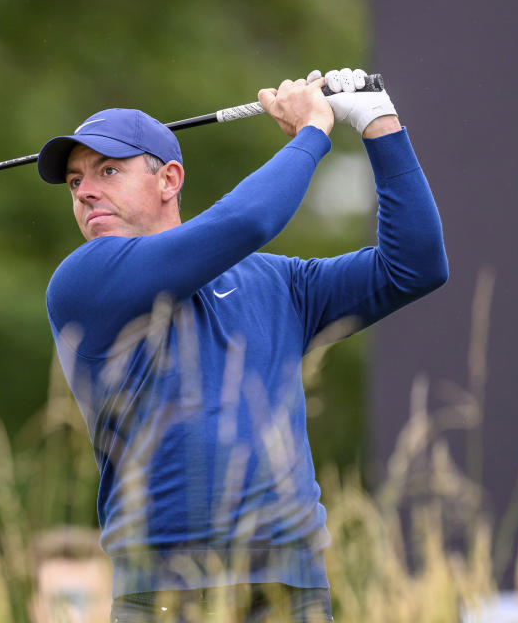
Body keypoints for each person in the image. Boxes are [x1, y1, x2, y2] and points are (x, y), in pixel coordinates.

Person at [35, 68, 448, 622]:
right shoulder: (84, 282)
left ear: (169, 179)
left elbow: (414, 266)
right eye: (75, 181)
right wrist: (313, 132)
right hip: (160, 596)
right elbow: (248, 219)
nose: (86, 191)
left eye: (107, 170)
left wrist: (379, 123)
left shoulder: (280, 284)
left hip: (287, 589)